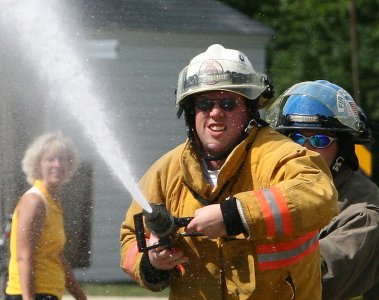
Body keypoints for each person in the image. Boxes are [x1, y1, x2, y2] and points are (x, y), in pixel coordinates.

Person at [120, 44, 338, 299]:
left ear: (248, 109)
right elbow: (130, 239)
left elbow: (319, 195)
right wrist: (153, 263)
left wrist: (235, 215)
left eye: (227, 103)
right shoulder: (166, 172)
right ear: (191, 112)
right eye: (203, 104)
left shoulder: (277, 154)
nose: (215, 113)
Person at [265, 80, 379, 299]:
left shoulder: (363, 218)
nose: (305, 150)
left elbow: (304, 282)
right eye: (295, 138)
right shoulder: (285, 194)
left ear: (342, 149)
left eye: (320, 140)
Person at [5, 131, 87, 300]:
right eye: (50, 159)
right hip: (29, 294)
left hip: (48, 293)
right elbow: (23, 257)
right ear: (38, 165)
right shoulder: (35, 201)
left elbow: (56, 255)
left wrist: (79, 296)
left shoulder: (52, 202)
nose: (57, 164)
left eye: (62, 159)